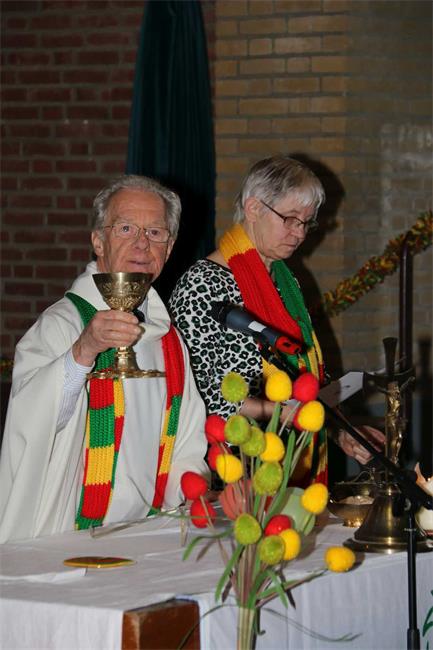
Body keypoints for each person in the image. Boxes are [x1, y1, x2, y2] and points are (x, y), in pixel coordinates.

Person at [0, 175, 208, 543]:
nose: (142, 244)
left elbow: (185, 444)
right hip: (69, 536)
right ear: (98, 240)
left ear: (169, 248)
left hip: (146, 535)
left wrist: (195, 489)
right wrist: (83, 351)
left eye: (155, 232)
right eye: (126, 228)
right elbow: (28, 422)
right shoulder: (63, 324)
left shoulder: (168, 340)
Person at [169, 155, 384, 486]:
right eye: (290, 219)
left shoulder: (285, 281)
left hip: (289, 459)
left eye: (306, 223)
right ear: (254, 208)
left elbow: (301, 375)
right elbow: (199, 396)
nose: (299, 233)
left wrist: (342, 431)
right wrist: (279, 412)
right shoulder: (202, 285)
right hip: (229, 469)